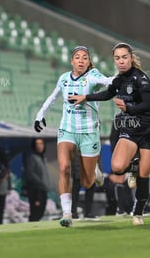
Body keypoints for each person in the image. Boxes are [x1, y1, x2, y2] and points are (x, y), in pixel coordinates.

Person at [69, 42, 150, 225]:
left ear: (131, 58)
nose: (121, 61)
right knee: (117, 167)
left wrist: (127, 107)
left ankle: (138, 213)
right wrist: (85, 97)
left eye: (124, 57)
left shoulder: (141, 78)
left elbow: (148, 104)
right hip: (130, 129)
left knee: (143, 175)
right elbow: (107, 94)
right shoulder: (119, 79)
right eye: (117, 58)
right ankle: (132, 166)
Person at [34, 46, 111, 228]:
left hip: (89, 132)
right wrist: (40, 114)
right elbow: (53, 97)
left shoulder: (92, 76)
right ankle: (67, 213)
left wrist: (124, 78)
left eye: (85, 57)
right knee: (65, 168)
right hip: (67, 130)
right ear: (72, 61)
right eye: (77, 57)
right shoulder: (64, 78)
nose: (81, 60)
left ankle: (95, 173)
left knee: (86, 181)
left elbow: (109, 81)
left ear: (88, 61)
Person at [23, 138, 50, 222]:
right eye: (37, 144)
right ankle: (31, 227)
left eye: (41, 144)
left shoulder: (43, 158)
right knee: (35, 211)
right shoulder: (31, 157)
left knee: (41, 210)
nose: (40, 146)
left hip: (43, 188)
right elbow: (30, 174)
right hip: (35, 189)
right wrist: (40, 183)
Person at [70, 147, 100, 220]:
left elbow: (97, 157)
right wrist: (77, 171)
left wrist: (98, 170)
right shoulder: (78, 142)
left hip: (90, 169)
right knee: (75, 192)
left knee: (90, 191)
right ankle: (73, 212)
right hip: (80, 170)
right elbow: (75, 157)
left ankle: (88, 213)